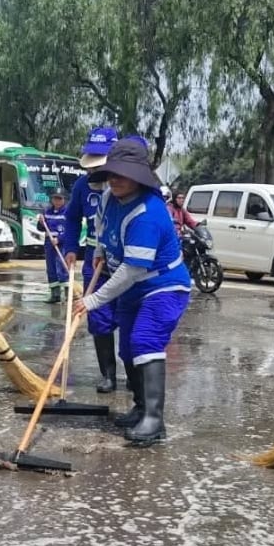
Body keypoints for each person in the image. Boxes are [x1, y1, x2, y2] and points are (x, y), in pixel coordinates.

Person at [74, 138, 191, 446]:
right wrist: (100, 249)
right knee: (127, 346)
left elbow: (132, 269)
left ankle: (155, 420)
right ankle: (140, 407)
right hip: (135, 287)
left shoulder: (149, 213)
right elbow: (101, 228)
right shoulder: (110, 197)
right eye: (112, 172)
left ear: (139, 175)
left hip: (163, 285)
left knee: (144, 340)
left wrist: (93, 300)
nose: (115, 178)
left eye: (123, 173)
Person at [63, 126, 121, 392]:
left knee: (131, 318)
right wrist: (71, 247)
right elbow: (72, 218)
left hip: (126, 264)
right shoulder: (82, 186)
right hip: (95, 263)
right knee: (98, 318)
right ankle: (108, 374)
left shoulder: (128, 185)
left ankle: (134, 374)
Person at [38, 187, 69, 303]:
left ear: (64, 200)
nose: (57, 201)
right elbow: (40, 228)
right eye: (55, 198)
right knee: (51, 268)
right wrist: (41, 222)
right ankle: (55, 295)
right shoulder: (47, 212)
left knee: (62, 268)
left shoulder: (68, 212)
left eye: (59, 199)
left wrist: (59, 239)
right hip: (49, 243)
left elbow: (71, 230)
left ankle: (68, 295)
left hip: (62, 244)